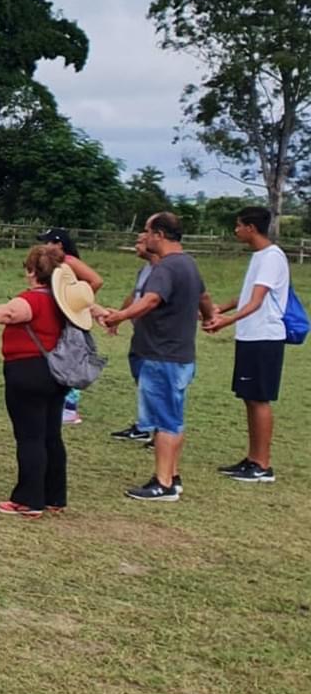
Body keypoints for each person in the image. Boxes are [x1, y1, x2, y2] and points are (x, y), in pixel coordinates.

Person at [0, 248, 96, 517]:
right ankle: (54, 496)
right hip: (56, 373)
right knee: (51, 435)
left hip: (27, 372)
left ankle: (29, 499)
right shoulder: (65, 303)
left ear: (32, 271)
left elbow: (10, 313)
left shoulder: (32, 300)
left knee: (30, 437)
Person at [95, 212, 211, 502]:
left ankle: (163, 484)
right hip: (180, 355)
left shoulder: (166, 267)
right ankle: (172, 474)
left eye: (146, 231)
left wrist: (119, 316)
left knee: (164, 420)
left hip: (162, 356)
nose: (143, 237)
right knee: (174, 416)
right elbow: (204, 297)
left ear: (159, 234)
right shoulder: (189, 263)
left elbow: (150, 300)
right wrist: (211, 319)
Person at [203, 206, 290, 484]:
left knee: (259, 399)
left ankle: (263, 465)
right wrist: (220, 308)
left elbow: (256, 302)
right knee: (249, 397)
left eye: (239, 225)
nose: (236, 230)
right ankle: (253, 458)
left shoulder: (272, 257)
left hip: (265, 337)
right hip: (250, 336)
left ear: (251, 228)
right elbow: (246, 296)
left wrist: (224, 322)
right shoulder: (259, 257)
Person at [108, 231, 160, 442]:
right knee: (141, 380)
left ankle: (160, 433)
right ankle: (144, 425)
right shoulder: (145, 270)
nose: (136, 246)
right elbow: (135, 294)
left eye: (140, 242)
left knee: (155, 382)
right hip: (140, 333)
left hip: (155, 337)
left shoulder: (163, 271)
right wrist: (119, 317)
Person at [36, 228, 105, 293]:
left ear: (59, 245)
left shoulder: (68, 260)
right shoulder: (52, 261)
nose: (43, 246)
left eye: (46, 242)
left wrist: (80, 299)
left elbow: (97, 281)